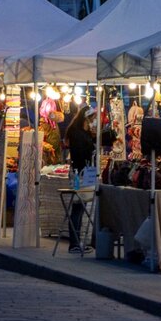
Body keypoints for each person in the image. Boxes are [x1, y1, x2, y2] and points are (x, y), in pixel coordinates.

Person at [63, 105, 96, 254]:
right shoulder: (78, 134)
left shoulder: (83, 132)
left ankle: (77, 241)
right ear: (86, 119)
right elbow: (81, 153)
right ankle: (74, 243)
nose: (93, 122)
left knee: (81, 208)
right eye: (92, 119)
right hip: (79, 173)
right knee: (77, 207)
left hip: (85, 172)